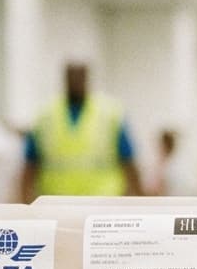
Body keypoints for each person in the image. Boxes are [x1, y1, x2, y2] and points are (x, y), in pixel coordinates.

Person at [21, 62, 142, 198]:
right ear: (65, 78)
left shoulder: (111, 113)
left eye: (80, 76)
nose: (76, 80)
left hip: (103, 200)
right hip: (56, 201)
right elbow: (29, 164)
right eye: (72, 76)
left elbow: (129, 161)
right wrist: (25, 203)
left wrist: (140, 201)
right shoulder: (44, 115)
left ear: (87, 78)